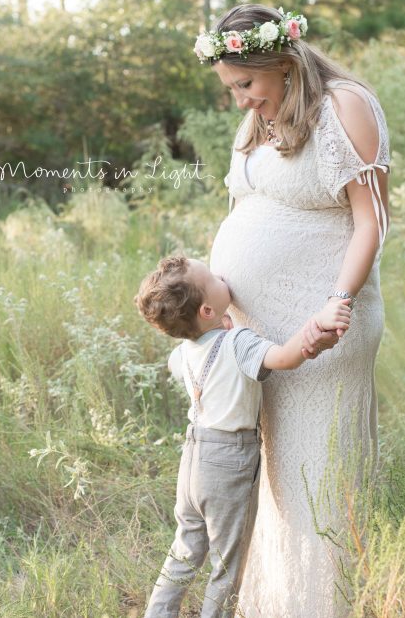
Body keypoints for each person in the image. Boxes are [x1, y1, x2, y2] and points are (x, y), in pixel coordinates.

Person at [193, 4, 391, 617]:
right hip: (255, 340)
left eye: (245, 85)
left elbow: (372, 219)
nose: (240, 102)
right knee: (273, 486)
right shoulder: (259, 118)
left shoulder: (344, 106)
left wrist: (340, 300)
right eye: (229, 90)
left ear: (281, 61)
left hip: (320, 329)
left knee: (318, 486)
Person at [134, 255, 352, 618]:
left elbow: (190, 365)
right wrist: (315, 330)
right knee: (227, 564)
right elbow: (283, 357)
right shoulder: (239, 342)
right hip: (227, 463)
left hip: (193, 459)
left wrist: (218, 332)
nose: (222, 276)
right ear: (207, 310)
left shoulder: (184, 352)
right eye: (214, 278)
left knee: (185, 552)